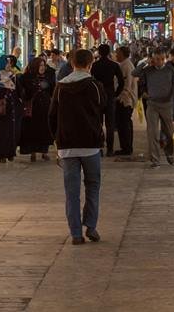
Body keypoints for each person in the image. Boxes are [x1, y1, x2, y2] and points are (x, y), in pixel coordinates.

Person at [49, 49, 105, 245]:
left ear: (72, 64)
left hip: (67, 147)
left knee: (71, 192)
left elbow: (52, 116)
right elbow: (102, 112)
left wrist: (58, 140)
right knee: (93, 186)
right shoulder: (95, 86)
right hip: (91, 146)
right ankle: (90, 225)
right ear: (90, 64)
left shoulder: (60, 87)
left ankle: (75, 233)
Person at [137, 49, 174, 168]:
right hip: (152, 104)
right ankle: (155, 159)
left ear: (165, 58)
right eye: (156, 59)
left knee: (169, 132)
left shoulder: (170, 70)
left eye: (161, 59)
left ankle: (169, 153)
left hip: (167, 105)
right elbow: (134, 74)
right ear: (152, 59)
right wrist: (145, 63)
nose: (159, 61)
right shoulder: (147, 70)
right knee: (152, 132)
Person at [18, 57, 55, 162]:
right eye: (40, 65)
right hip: (33, 108)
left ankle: (44, 152)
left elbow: (53, 90)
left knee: (44, 129)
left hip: (45, 107)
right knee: (32, 130)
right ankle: (33, 152)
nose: (42, 68)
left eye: (43, 65)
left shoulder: (48, 76)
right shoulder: (27, 77)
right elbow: (23, 91)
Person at [90, 44, 124, 157]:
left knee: (98, 123)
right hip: (110, 95)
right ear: (109, 52)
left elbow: (92, 80)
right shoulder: (114, 65)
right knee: (110, 124)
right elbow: (121, 81)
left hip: (98, 96)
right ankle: (110, 149)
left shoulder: (95, 65)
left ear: (99, 53)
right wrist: (116, 93)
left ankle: (99, 148)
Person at [114, 47, 138, 156]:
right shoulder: (123, 65)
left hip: (126, 99)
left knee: (124, 124)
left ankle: (127, 147)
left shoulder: (127, 66)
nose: (116, 55)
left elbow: (127, 84)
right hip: (123, 98)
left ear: (123, 54)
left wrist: (119, 96)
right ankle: (125, 146)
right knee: (123, 123)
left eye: (117, 53)